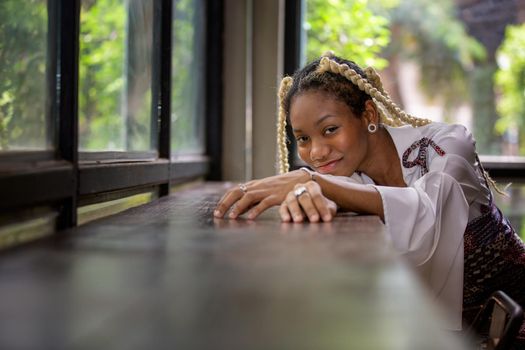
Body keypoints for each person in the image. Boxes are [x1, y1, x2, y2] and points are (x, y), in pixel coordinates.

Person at [213, 52, 525, 346]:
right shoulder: (344, 178)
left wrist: (311, 179)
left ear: (368, 114)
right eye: (304, 139)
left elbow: (428, 218)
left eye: (330, 129)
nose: (316, 153)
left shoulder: (447, 144)